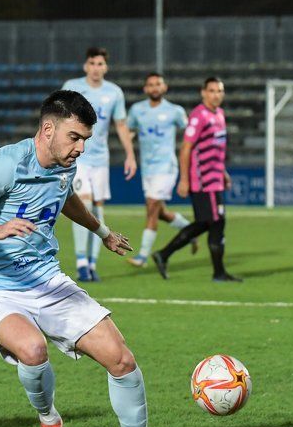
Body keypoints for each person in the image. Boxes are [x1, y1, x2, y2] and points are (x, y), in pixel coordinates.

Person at [0, 90, 186, 427]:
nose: (80, 148)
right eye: (75, 137)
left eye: (86, 140)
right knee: (33, 350)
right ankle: (50, 421)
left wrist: (101, 230)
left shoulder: (64, 165)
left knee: (121, 358)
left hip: (47, 280)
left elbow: (65, 196)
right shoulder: (8, 162)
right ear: (49, 128)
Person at [151, 77, 240, 282]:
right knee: (216, 221)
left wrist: (223, 172)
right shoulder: (199, 116)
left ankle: (164, 254)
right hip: (202, 181)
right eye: (212, 91)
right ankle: (218, 273)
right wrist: (184, 180)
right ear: (203, 92)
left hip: (215, 178)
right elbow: (186, 148)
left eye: (219, 91)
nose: (216, 95)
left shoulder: (219, 114)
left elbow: (217, 149)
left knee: (207, 223)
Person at [62, 47, 136, 282]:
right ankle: (82, 262)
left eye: (100, 64)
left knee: (98, 207)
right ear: (86, 66)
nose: (96, 68)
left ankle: (93, 264)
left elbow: (121, 125)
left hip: (101, 160)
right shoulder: (72, 87)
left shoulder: (114, 92)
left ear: (106, 67)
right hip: (78, 157)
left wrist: (130, 155)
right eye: (92, 63)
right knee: (83, 202)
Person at [125, 73, 197, 267]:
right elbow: (128, 131)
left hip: (166, 167)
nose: (154, 87)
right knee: (160, 212)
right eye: (150, 84)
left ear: (165, 87)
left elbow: (191, 133)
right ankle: (190, 230)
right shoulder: (137, 110)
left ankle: (142, 257)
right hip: (147, 168)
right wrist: (128, 147)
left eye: (158, 84)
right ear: (145, 89)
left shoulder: (175, 111)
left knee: (151, 208)